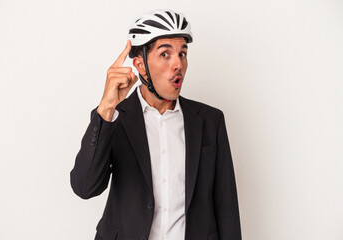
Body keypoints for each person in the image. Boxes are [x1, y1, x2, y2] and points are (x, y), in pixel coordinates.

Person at [70, 9, 242, 240]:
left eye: (182, 54)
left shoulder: (210, 121)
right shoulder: (114, 118)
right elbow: (85, 187)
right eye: (165, 54)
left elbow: (226, 205)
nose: (177, 64)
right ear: (140, 65)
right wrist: (105, 109)